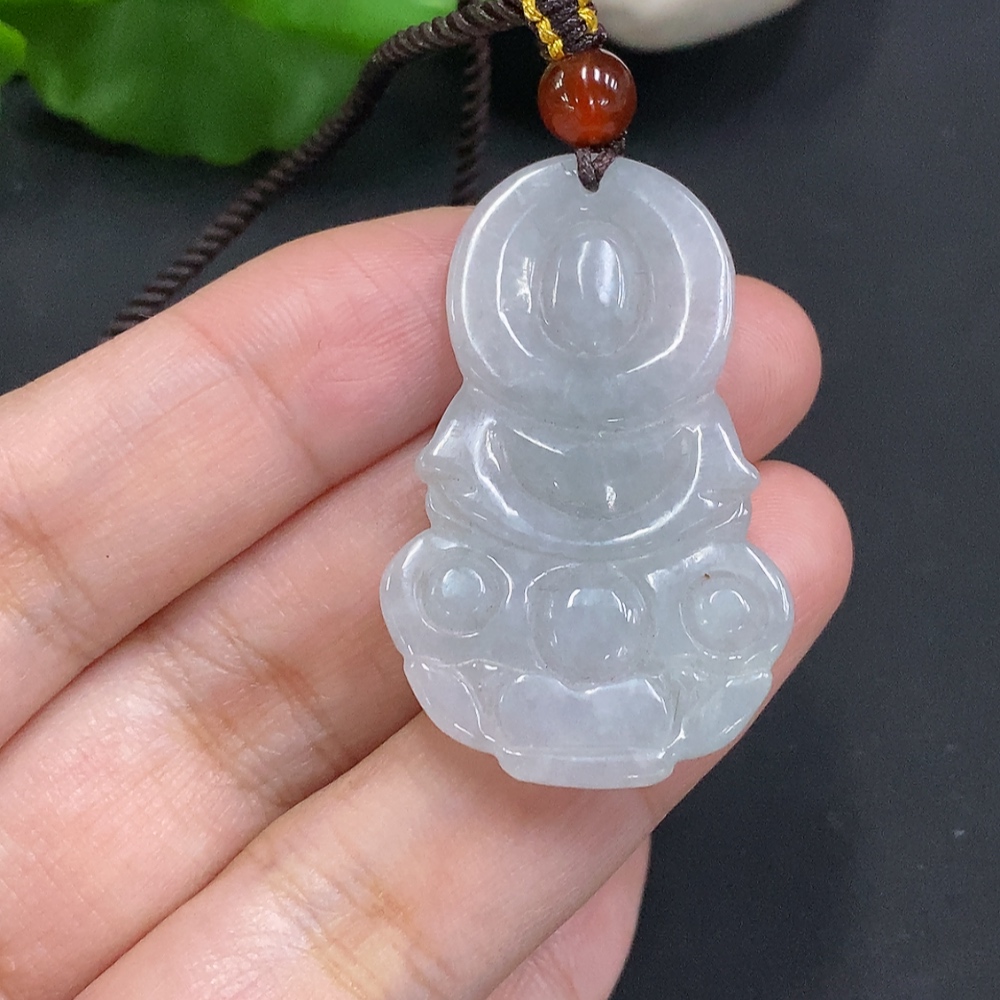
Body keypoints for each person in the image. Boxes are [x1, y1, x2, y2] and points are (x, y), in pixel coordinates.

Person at [0, 208, 851, 1000]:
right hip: (522, 580)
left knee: (709, 609)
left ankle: (619, 699)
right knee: (458, 593)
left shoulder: (687, 415)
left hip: (646, 590)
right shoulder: (496, 407)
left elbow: (719, 493)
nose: (594, 312)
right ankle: (552, 698)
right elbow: (459, 480)